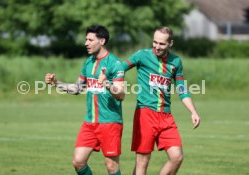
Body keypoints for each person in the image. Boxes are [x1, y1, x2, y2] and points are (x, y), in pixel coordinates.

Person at [45, 25, 125, 175]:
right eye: (86, 39)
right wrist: (57, 83)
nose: (86, 43)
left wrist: (107, 84)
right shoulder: (88, 62)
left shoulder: (115, 63)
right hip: (90, 123)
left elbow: (121, 94)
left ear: (102, 41)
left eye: (90, 40)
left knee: (111, 167)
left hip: (110, 122)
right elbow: (76, 88)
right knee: (78, 162)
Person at [123, 26, 201, 175]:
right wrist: (109, 79)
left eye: (162, 44)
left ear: (170, 43)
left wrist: (193, 112)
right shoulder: (142, 55)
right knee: (142, 160)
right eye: (155, 42)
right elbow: (120, 68)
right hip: (145, 114)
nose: (157, 47)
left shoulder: (176, 62)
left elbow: (182, 89)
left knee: (177, 157)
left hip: (166, 116)